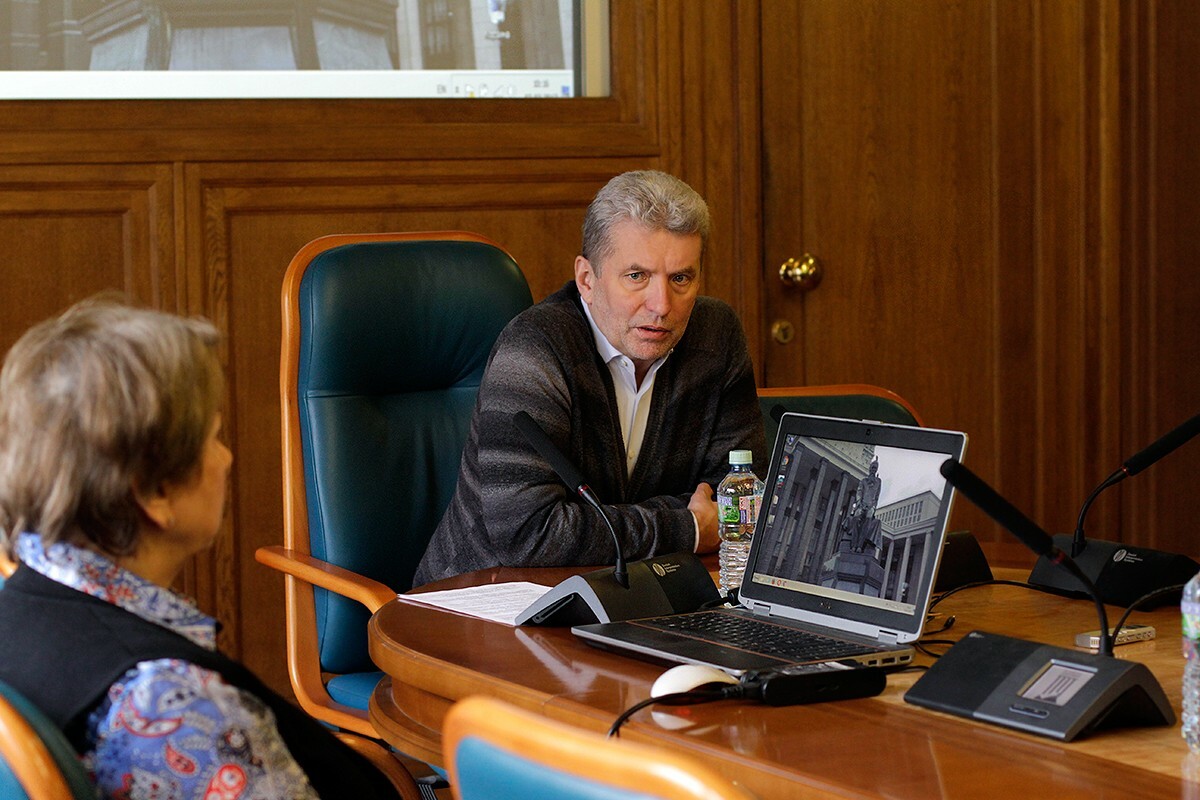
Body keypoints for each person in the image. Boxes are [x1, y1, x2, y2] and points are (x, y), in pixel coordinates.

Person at [0, 298, 405, 800]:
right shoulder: (176, 703)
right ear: (154, 492)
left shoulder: (18, 602)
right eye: (213, 438)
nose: (227, 458)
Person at [415, 170, 766, 585]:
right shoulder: (533, 350)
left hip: (639, 594)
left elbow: (740, 498)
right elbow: (527, 533)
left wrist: (594, 527)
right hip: (486, 598)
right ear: (587, 279)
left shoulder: (716, 336)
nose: (661, 305)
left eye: (680, 279)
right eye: (637, 276)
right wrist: (685, 527)